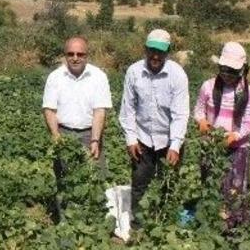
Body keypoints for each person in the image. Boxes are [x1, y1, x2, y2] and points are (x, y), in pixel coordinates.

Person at [118, 28, 189, 223]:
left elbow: (180, 114)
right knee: (140, 182)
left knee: (169, 183)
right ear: (145, 49)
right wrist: (131, 139)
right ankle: (139, 226)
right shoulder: (134, 72)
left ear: (168, 51)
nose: (156, 56)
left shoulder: (177, 75)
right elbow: (128, 108)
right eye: (152, 50)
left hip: (168, 138)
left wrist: (175, 145)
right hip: (142, 138)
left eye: (161, 51)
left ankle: (166, 223)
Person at [193, 42, 250, 229]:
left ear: (242, 70)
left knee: (235, 188)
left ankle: (234, 227)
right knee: (211, 182)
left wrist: (235, 135)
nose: (227, 75)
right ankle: (212, 222)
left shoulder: (247, 92)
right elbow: (198, 111)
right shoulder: (208, 87)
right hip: (211, 145)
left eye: (232, 71)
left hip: (237, 147)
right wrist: (201, 122)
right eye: (224, 70)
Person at [42, 36, 112, 169]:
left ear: (87, 56)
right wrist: (57, 137)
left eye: (80, 54)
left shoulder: (98, 76)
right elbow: (49, 110)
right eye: (70, 54)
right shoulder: (55, 77)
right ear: (65, 55)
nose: (75, 58)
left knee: (96, 176)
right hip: (64, 134)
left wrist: (95, 140)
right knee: (65, 179)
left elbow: (99, 111)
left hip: (90, 134)